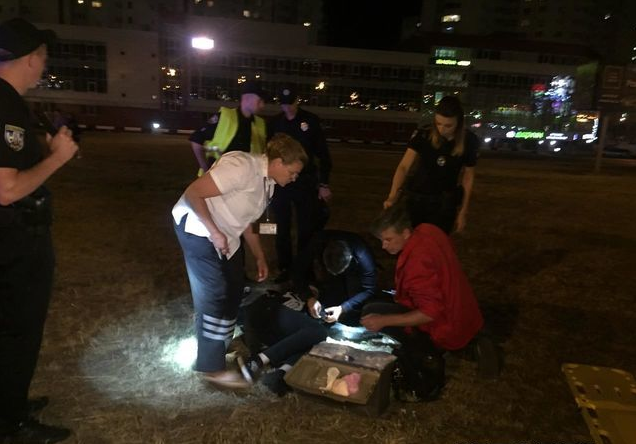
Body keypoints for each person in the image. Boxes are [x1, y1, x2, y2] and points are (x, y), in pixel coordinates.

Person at [172, 133, 307, 390]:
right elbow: (193, 193)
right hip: (197, 228)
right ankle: (211, 367)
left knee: (235, 288)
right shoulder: (241, 166)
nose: (294, 178)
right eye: (292, 172)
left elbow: (248, 223)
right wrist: (214, 232)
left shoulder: (268, 184)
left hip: (225, 233)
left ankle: (220, 342)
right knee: (214, 292)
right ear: (278, 162)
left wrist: (259, 256)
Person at [0, 18, 79, 444]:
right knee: (19, 329)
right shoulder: (6, 104)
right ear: (30, 58)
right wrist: (58, 158)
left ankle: (10, 403)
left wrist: (44, 152)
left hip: (13, 236)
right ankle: (11, 422)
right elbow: (7, 189)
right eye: (43, 59)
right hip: (14, 239)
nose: (44, 68)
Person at [360, 204, 498, 401]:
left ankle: (427, 355)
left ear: (406, 232)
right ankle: (470, 343)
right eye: (381, 240)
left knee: (374, 311)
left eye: (388, 239)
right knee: (381, 304)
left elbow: (430, 312)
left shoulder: (417, 264)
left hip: (444, 324)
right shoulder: (428, 230)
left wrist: (383, 321)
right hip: (463, 309)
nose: (383, 246)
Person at [240, 230, 377, 395]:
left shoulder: (361, 255)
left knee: (315, 344)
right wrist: (308, 297)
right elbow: (296, 273)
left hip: (280, 337)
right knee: (319, 332)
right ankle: (257, 361)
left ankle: (280, 374)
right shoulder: (316, 246)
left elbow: (369, 288)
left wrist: (343, 308)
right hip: (268, 313)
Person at [383, 95, 479, 234]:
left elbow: (468, 177)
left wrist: (463, 211)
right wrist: (392, 195)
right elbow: (404, 167)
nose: (442, 129)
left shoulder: (469, 140)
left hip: (444, 205)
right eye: (438, 123)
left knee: (436, 242)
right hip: (416, 200)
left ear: (459, 122)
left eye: (448, 125)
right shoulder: (423, 134)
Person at [268, 85, 332, 282]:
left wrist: (324, 184)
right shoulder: (274, 123)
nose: (287, 108)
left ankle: (304, 268)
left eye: (290, 103)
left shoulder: (310, 121)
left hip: (305, 182)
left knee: (306, 227)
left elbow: (323, 154)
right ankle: (285, 268)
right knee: (281, 227)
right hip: (281, 183)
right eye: (283, 104)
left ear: (297, 101)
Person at [189, 80, 268, 176]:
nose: (262, 105)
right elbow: (196, 140)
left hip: (245, 179)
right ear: (247, 98)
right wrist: (206, 170)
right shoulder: (225, 117)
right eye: (260, 101)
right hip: (218, 177)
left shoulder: (260, 123)